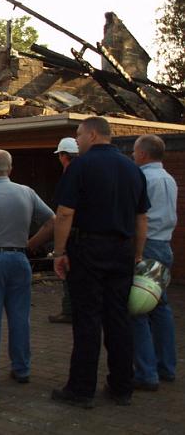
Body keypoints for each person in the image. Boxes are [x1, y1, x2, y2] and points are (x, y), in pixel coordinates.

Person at [50, 116, 149, 408]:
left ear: (92, 135)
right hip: (122, 250)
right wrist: (137, 252)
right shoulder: (133, 169)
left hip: (88, 249)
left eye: (79, 135)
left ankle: (81, 389)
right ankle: (122, 387)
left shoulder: (80, 166)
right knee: (119, 319)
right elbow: (141, 218)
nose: (77, 140)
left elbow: (65, 213)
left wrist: (59, 252)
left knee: (87, 319)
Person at [0, 149, 54, 384]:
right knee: (20, 317)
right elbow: (52, 221)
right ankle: (21, 368)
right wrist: (30, 244)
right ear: (10, 169)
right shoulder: (27, 193)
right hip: (19, 259)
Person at [131, 134, 177, 390]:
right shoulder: (168, 178)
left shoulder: (144, 178)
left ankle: (146, 372)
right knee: (160, 308)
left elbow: (139, 216)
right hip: (164, 245)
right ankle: (166, 366)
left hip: (147, 246)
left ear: (143, 154)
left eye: (135, 152)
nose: (132, 156)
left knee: (138, 309)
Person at [47, 137, 79, 324]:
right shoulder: (86, 173)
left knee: (66, 273)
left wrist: (59, 249)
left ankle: (69, 311)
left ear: (64, 156)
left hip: (71, 235)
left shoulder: (70, 176)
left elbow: (63, 214)